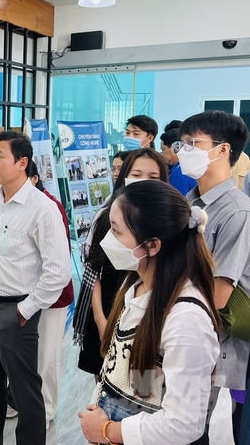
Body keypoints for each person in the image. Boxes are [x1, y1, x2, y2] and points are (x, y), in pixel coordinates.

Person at [78, 180, 221, 445]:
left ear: (152, 245)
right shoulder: (136, 284)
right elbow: (141, 374)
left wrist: (109, 430)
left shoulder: (186, 320)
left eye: (116, 231)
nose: (107, 239)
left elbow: (184, 423)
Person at [0, 131, 71, 445]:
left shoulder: (43, 208)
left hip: (15, 310)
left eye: (0, 156)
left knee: (26, 395)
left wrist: (24, 312)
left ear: (22, 162)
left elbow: (59, 273)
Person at [177, 111, 250, 442]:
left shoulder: (237, 212)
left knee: (197, 433)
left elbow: (218, 296)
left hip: (211, 355)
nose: (184, 150)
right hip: (176, 341)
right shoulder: (189, 202)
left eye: (194, 143)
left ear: (223, 150)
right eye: (183, 143)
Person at [73, 148, 169, 379]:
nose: (143, 181)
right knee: (105, 377)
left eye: (152, 177)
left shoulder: (169, 222)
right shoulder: (107, 216)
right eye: (136, 174)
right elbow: (93, 267)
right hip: (108, 304)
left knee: (141, 383)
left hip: (151, 313)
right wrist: (99, 319)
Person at [28, 161, 74, 428]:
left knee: (47, 355)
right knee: (21, 355)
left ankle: (46, 408)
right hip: (21, 295)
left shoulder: (49, 205)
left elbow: (58, 263)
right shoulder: (0, 202)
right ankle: (17, 400)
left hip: (52, 295)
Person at [160, 121, 197, 196]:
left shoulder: (179, 175)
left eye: (163, 150)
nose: (162, 154)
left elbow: (176, 204)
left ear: (176, 147)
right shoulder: (190, 167)